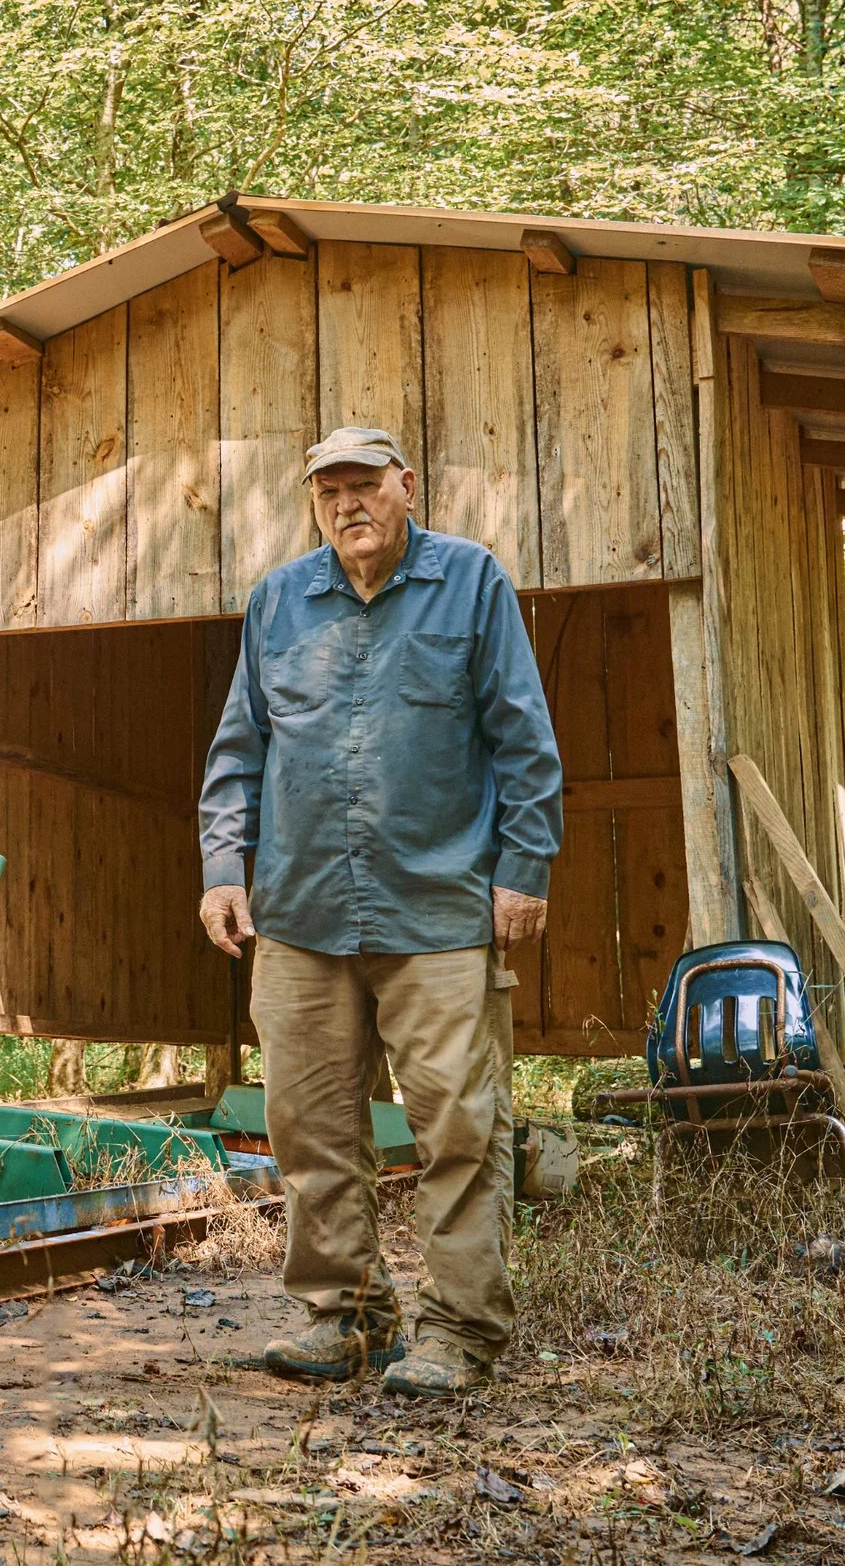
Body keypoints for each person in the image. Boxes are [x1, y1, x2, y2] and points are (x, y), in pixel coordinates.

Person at [197, 425, 561, 1398]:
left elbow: (523, 737)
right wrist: (221, 865)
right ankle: (344, 1314)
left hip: (439, 911)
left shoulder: (470, 581)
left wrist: (523, 867)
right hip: (302, 915)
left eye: (365, 484)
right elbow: (239, 747)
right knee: (309, 1127)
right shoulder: (278, 600)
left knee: (456, 1128)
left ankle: (459, 1330)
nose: (347, 503)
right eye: (329, 491)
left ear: (407, 484)